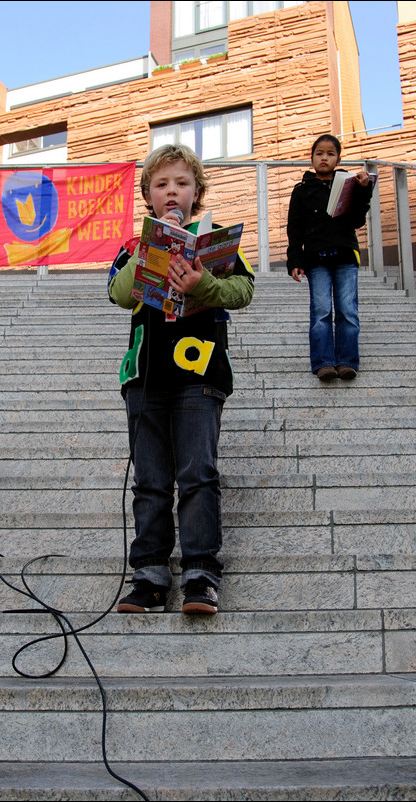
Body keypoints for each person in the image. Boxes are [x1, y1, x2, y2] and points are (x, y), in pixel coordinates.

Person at [106, 144, 254, 615]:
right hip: (144, 374)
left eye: (182, 183)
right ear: (148, 196)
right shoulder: (133, 246)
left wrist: (201, 284)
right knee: (149, 479)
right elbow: (119, 293)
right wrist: (152, 247)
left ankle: (200, 574)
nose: (172, 191)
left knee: (197, 474)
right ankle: (149, 574)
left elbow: (243, 290)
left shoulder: (216, 241)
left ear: (198, 193)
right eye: (162, 184)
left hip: (200, 370)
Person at [286, 134, 375, 381]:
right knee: (321, 310)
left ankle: (347, 361)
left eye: (330, 154)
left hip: (345, 254)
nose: (324, 158)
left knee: (347, 310)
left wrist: (364, 191)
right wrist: (295, 261)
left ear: (338, 158)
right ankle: (324, 362)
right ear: (312, 157)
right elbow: (294, 229)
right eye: (319, 153)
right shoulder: (302, 190)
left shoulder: (349, 183)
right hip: (316, 259)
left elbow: (357, 220)